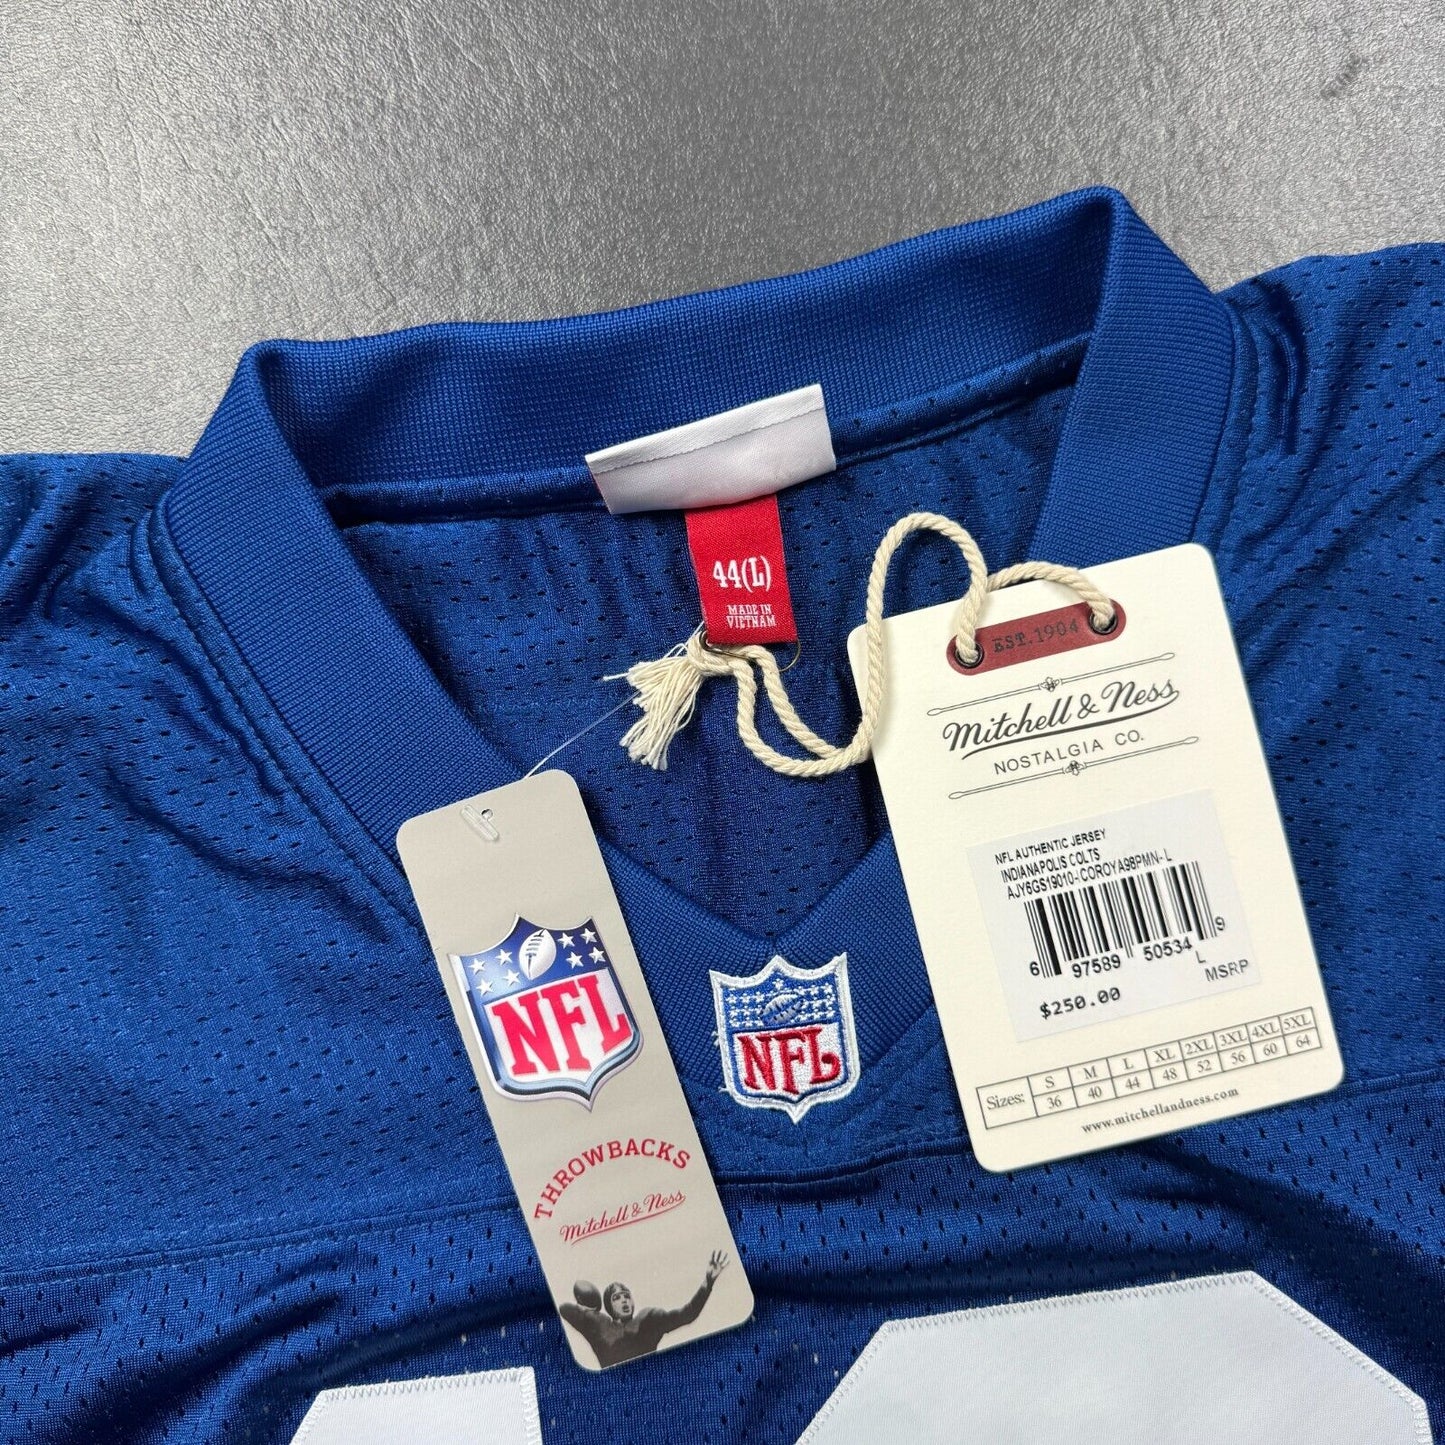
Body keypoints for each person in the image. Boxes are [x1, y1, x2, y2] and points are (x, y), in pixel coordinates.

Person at [560, 1251, 728, 1367]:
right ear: (609, 1306)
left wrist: (707, 1283)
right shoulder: (599, 1325)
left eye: (626, 1296)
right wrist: (591, 1307)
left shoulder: (648, 1319)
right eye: (617, 1298)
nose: (624, 1300)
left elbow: (687, 1314)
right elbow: (564, 1309)